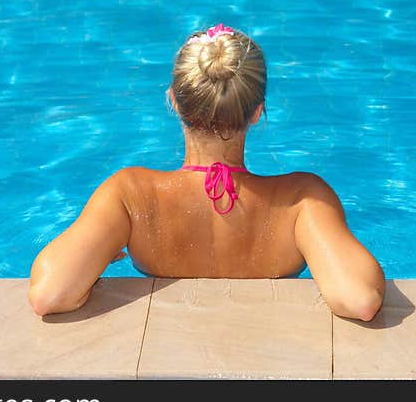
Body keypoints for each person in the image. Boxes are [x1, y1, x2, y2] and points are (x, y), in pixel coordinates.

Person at [28, 23, 386, 320]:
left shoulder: (131, 194)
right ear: (257, 111)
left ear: (173, 100)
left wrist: (102, 249)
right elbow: (359, 299)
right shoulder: (301, 201)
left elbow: (49, 294)